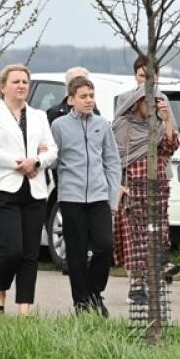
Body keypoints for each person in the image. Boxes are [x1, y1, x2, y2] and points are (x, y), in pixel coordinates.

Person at [0, 64, 57, 316]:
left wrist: (37, 161)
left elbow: (52, 150)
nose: (21, 86)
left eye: (25, 81)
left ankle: (25, 307)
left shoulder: (38, 116)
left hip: (35, 190)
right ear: (3, 86)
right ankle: (0, 290)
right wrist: (20, 163)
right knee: (12, 249)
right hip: (4, 188)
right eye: (16, 81)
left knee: (30, 253)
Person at [51, 76, 122, 316]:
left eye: (91, 96)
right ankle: (81, 302)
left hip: (99, 196)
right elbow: (53, 160)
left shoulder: (102, 125)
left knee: (104, 246)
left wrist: (112, 196)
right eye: (83, 96)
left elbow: (112, 161)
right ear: (71, 100)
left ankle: (94, 292)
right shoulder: (59, 126)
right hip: (71, 197)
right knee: (77, 253)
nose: (89, 100)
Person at [112, 56, 179, 310]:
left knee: (156, 232)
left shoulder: (161, 112)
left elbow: (169, 146)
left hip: (157, 185)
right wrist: (118, 184)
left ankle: (155, 277)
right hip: (132, 185)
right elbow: (115, 155)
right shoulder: (124, 120)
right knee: (134, 236)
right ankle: (135, 284)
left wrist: (166, 119)